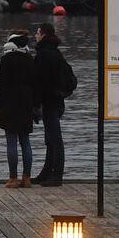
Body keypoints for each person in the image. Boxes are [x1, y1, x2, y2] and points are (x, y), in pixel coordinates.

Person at [0, 32, 36, 188]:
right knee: (25, 141)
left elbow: (1, 84)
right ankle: (27, 178)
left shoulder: (6, 59)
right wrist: (35, 105)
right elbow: (34, 85)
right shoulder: (30, 59)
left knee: (11, 141)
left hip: (9, 103)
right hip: (26, 103)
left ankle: (12, 178)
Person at [32, 21, 69, 186]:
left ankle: (57, 176)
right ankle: (47, 173)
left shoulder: (43, 54)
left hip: (49, 102)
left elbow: (39, 81)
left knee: (55, 139)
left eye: (38, 33)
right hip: (57, 100)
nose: (35, 35)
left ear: (44, 35)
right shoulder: (56, 52)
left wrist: (35, 103)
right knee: (50, 139)